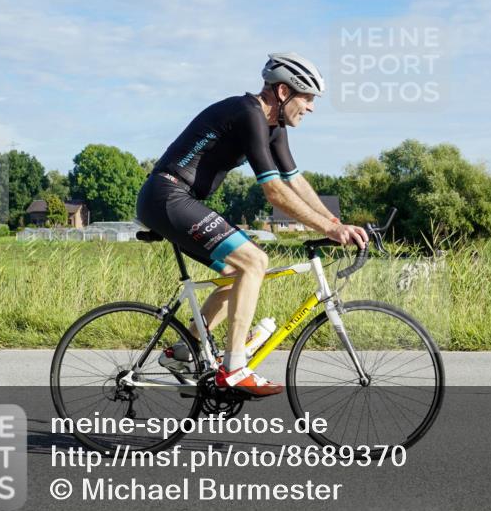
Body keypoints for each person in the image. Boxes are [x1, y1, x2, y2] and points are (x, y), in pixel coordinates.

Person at [135, 52, 369, 396]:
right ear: (284, 93)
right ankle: (234, 368)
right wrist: (329, 230)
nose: (312, 108)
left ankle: (185, 350)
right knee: (254, 261)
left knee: (236, 273)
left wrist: (335, 222)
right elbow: (274, 192)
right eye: (308, 98)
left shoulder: (274, 127)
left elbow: (294, 181)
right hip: (166, 196)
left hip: (179, 200)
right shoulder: (248, 115)